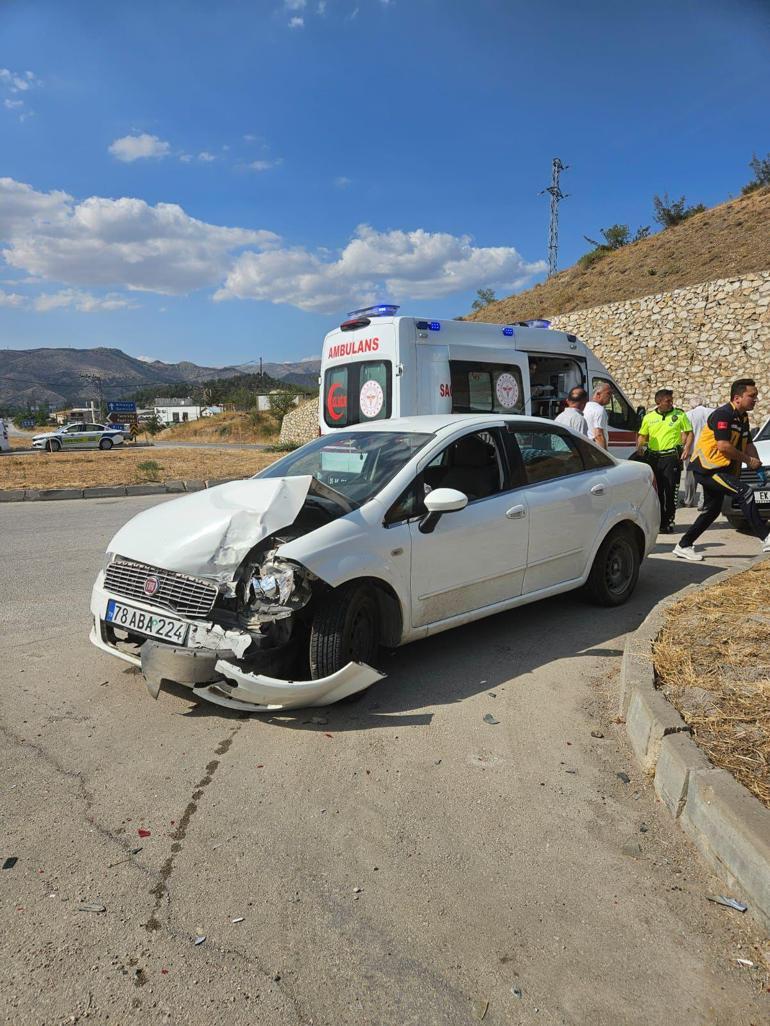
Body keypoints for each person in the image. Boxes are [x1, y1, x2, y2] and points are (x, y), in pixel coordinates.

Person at [673, 378, 770, 562]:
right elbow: (723, 446)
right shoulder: (723, 415)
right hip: (707, 469)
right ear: (737, 398)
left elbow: (748, 443)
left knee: (712, 511)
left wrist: (757, 464)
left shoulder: (742, 417)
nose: (756, 400)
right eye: (752, 396)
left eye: (756, 396)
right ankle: (766, 537)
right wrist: (748, 460)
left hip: (719, 469)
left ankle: (684, 545)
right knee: (745, 492)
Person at [637, 389, 693, 533]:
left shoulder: (679, 415)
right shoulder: (649, 417)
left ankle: (669, 521)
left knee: (670, 490)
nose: (671, 403)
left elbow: (689, 433)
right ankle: (659, 521)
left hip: (671, 458)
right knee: (657, 492)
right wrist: (640, 448)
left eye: (671, 400)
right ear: (658, 402)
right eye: (668, 401)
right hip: (653, 458)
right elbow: (642, 436)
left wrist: (687, 448)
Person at [682, 395, 713, 508]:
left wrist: (683, 448)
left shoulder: (688, 415)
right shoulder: (712, 412)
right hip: (708, 450)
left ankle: (688, 500)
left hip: (692, 450)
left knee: (690, 477)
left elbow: (685, 435)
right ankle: (703, 502)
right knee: (707, 477)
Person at [583, 382, 612, 448]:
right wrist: (604, 452)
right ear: (598, 394)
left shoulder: (586, 406)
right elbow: (598, 435)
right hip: (595, 448)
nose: (610, 396)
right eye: (608, 393)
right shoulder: (599, 409)